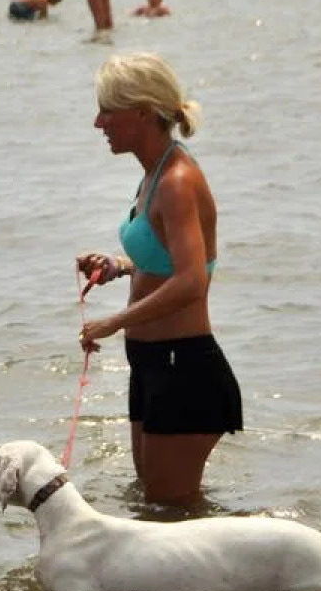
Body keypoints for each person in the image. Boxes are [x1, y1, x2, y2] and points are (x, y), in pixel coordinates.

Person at [74, 53, 241, 506]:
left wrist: (113, 322)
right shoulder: (153, 172)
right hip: (151, 365)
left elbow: (192, 282)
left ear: (143, 112)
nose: (97, 122)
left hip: (184, 368)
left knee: (171, 515)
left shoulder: (177, 180)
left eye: (108, 110)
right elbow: (172, 260)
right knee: (154, 504)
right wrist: (120, 266)